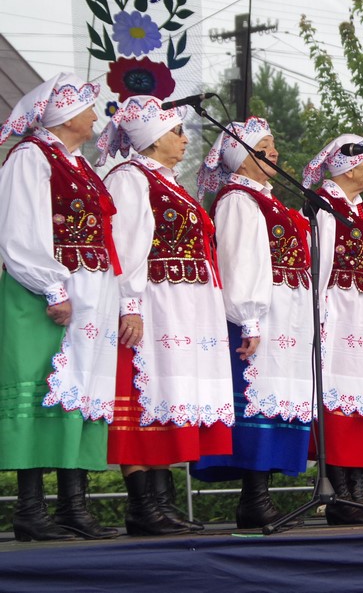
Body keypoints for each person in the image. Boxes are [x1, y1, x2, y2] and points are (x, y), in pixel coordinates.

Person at [96, 95, 234, 535]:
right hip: (154, 304)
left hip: (183, 307)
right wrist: (130, 305)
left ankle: (162, 502)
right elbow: (125, 245)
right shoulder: (130, 178)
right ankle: (142, 506)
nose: (184, 140)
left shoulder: (169, 182)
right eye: (176, 132)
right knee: (145, 399)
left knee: (171, 399)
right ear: (154, 139)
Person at [0, 73, 120, 541]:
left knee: (81, 393)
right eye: (87, 107)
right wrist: (52, 288)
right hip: (44, 295)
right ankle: (30, 510)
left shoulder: (79, 164)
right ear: (67, 116)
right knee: (39, 391)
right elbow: (18, 230)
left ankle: (74, 506)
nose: (94, 115)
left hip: (87, 294)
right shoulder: (31, 157)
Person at [188, 117, 314, 528]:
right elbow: (239, 262)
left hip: (280, 318)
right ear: (240, 160)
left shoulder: (266, 199)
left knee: (274, 401)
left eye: (273, 145)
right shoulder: (238, 200)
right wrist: (249, 320)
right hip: (254, 319)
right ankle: (254, 500)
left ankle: (259, 497)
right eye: (263, 148)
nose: (274, 152)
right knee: (256, 401)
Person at [302, 135, 363, 525]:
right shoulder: (326, 207)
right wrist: (319, 320)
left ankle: (359, 492)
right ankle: (342, 496)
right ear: (350, 167)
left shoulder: (361, 210)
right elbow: (319, 268)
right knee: (341, 407)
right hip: (341, 316)